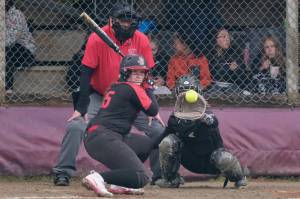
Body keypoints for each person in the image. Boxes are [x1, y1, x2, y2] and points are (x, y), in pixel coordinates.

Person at [52, 2, 165, 186]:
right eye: (123, 21)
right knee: (76, 126)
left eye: (130, 22)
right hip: (100, 95)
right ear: (112, 21)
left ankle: (161, 175)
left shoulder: (141, 40)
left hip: (132, 97)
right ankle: (63, 171)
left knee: (158, 130)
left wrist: (154, 109)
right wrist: (81, 108)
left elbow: (146, 77)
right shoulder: (97, 38)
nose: (127, 25)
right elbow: (85, 74)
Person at [82, 54, 159, 197]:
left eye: (142, 72)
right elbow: (153, 110)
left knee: (145, 144)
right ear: (125, 73)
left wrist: (146, 87)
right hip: (103, 137)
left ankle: (120, 184)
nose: (138, 76)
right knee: (141, 177)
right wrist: (149, 88)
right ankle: (98, 178)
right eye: (134, 72)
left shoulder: (117, 86)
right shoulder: (133, 88)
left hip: (101, 136)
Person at [155, 75, 248, 188]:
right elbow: (159, 141)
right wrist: (142, 152)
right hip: (189, 160)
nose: (186, 96)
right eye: (182, 92)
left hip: (211, 161)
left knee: (224, 158)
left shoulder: (207, 114)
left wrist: (204, 119)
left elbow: (214, 122)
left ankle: (240, 177)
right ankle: (170, 179)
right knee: (167, 142)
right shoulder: (175, 118)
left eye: (190, 91)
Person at [5, 0, 36, 93]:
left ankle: (8, 88)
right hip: (6, 47)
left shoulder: (17, 15)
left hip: (24, 48)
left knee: (8, 53)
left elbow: (12, 39)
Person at [208, 28, 250, 94]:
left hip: (232, 87)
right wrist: (228, 69)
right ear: (215, 39)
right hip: (215, 87)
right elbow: (214, 72)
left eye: (228, 37)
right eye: (224, 36)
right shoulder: (210, 54)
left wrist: (236, 70)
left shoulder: (235, 53)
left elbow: (243, 78)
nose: (227, 39)